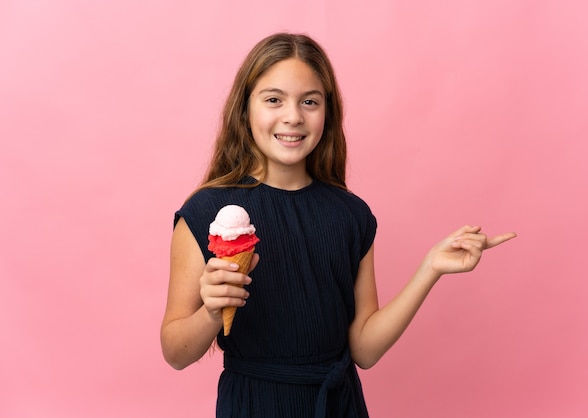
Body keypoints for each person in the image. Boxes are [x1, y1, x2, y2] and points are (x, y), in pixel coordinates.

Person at [160, 32, 516, 418]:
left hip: (337, 405)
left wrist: (430, 268)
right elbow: (175, 353)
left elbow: (364, 350)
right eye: (274, 99)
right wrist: (211, 312)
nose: (293, 116)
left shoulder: (351, 215)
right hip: (254, 405)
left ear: (327, 112)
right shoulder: (204, 211)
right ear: (245, 108)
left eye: (309, 101)